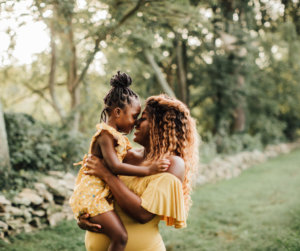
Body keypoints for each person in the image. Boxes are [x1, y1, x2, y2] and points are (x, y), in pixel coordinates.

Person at [78, 94, 200, 251]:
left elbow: (143, 214)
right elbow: (98, 191)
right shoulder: (124, 156)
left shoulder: (172, 164)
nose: (136, 122)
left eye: (143, 118)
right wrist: (84, 217)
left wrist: (108, 175)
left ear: (160, 126)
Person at [69, 73, 170, 251]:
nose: (136, 122)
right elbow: (115, 167)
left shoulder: (119, 139)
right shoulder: (105, 135)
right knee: (121, 236)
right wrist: (150, 170)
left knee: (120, 235)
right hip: (92, 195)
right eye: (134, 116)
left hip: (99, 195)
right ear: (117, 112)